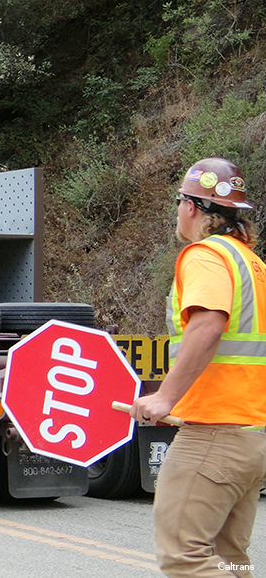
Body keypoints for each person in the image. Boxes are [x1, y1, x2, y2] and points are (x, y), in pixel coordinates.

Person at [131, 157, 266, 578]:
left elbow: (208, 324)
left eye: (178, 202)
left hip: (214, 431)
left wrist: (165, 397)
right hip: (251, 435)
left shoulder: (204, 256)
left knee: (183, 554)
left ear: (191, 206)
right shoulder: (252, 265)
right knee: (228, 556)